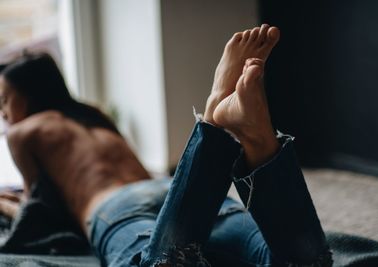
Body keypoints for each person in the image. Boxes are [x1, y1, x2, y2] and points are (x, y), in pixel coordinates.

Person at [0, 24, 333, 266]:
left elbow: (38, 211)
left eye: (4, 100)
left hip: (116, 207)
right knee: (299, 260)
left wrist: (6, 204)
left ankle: (214, 123)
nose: (2, 112)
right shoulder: (93, 115)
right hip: (170, 189)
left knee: (165, 263)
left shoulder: (22, 132)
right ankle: (255, 142)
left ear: (28, 95)